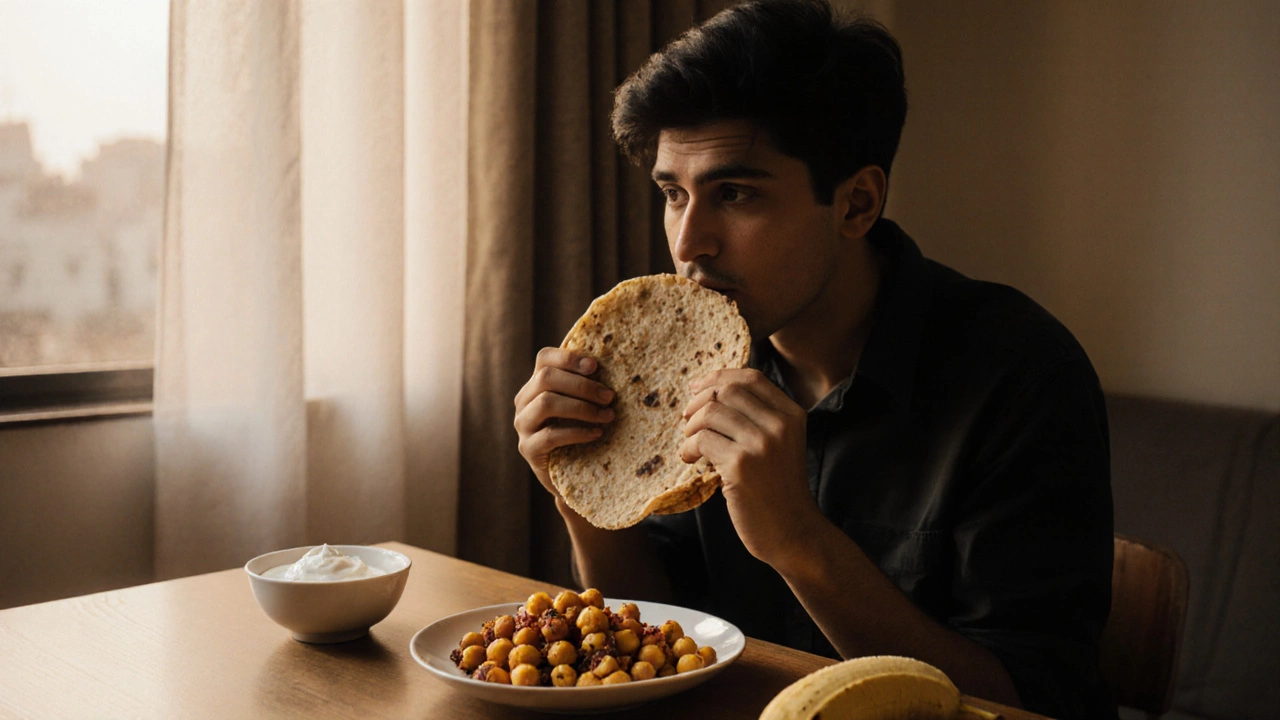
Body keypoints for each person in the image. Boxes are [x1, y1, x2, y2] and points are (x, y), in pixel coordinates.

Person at [511, 1, 1116, 717]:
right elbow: (653, 626)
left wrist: (796, 538)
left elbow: (1027, 701)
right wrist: (576, 486)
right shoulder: (679, 372)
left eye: (734, 194)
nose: (688, 242)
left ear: (857, 204)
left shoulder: (1022, 377)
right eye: (674, 194)